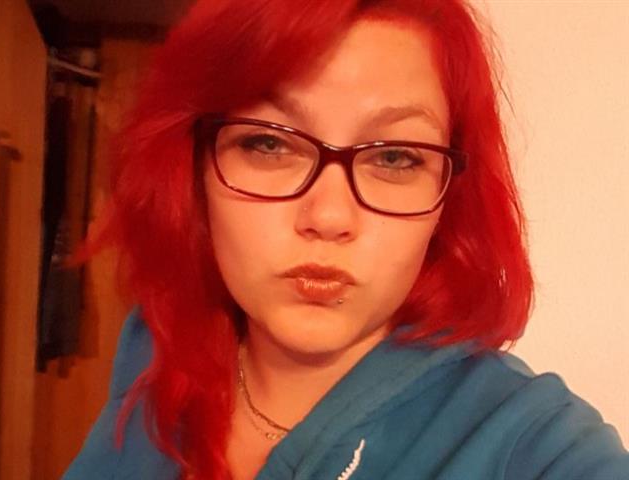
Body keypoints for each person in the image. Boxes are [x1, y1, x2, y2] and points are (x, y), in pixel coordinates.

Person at [63, 0, 629, 479]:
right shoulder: (155, 348)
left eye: (395, 157)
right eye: (268, 143)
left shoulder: (537, 448)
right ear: (191, 168)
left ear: (449, 198)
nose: (330, 216)